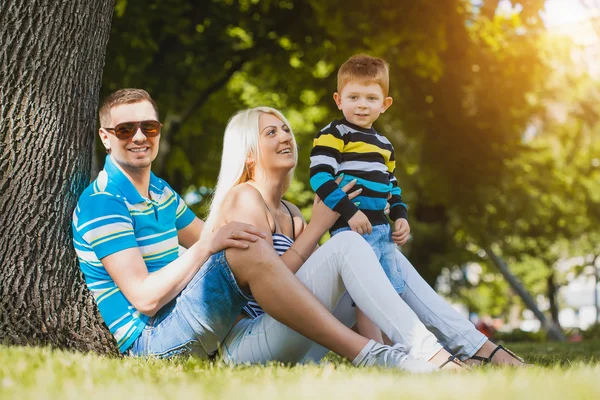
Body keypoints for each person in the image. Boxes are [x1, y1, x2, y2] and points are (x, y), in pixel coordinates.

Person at [72, 88, 451, 372]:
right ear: (106, 137)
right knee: (244, 247)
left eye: (148, 126)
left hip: (197, 322)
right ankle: (373, 355)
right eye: (125, 129)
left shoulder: (160, 192)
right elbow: (145, 298)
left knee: (357, 248)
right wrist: (211, 244)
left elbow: (224, 237)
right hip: (153, 340)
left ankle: (440, 348)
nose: (139, 136)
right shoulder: (103, 201)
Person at [202, 106, 525, 368]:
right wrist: (318, 227)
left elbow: (311, 286)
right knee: (347, 243)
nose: (285, 136)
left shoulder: (291, 212)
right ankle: (431, 354)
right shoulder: (244, 198)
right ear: (247, 154)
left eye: (285, 128)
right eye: (270, 132)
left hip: (294, 332)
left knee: (381, 250)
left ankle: (475, 345)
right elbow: (269, 289)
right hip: (247, 346)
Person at [309, 54, 407, 343]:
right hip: (350, 226)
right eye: (353, 97)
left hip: (382, 230)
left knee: (390, 290)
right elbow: (320, 177)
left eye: (371, 98)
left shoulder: (385, 145)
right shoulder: (334, 133)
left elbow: (392, 185)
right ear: (339, 100)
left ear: (384, 104)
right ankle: (375, 350)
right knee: (369, 292)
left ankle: (395, 347)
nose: (362, 105)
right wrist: (350, 212)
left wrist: (400, 216)